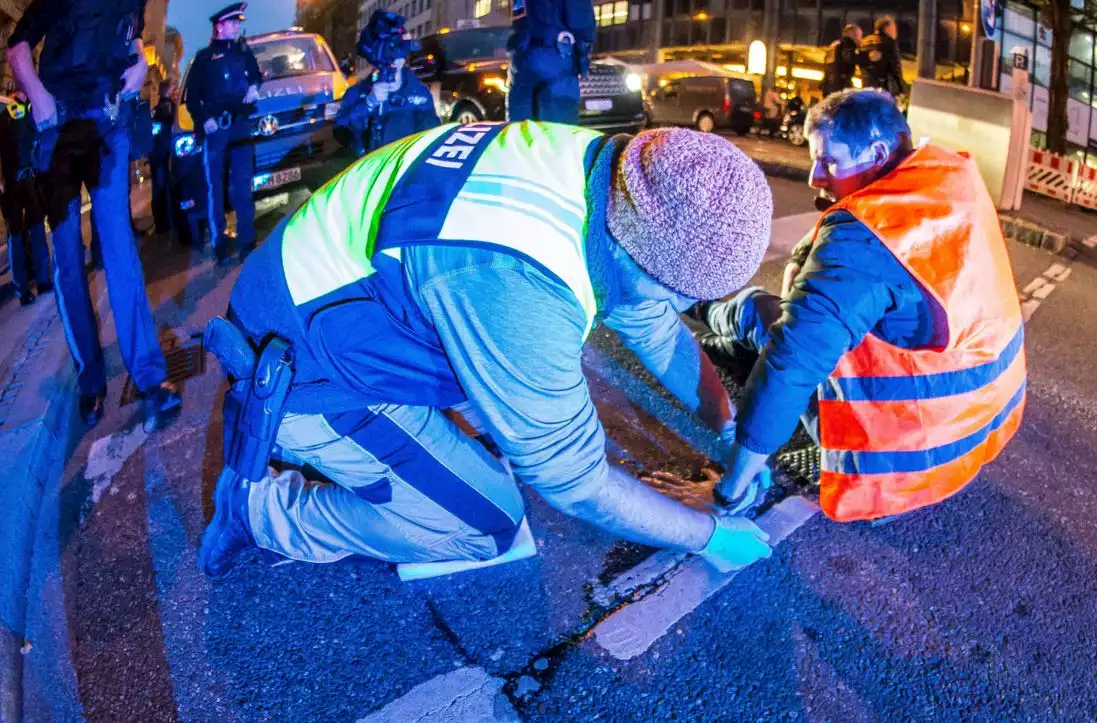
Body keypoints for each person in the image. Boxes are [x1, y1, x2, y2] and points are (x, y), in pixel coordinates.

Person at [197, 123, 776, 579]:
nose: (675, 306)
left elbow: (651, 323)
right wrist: (708, 536)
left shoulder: (606, 173)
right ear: (642, 258)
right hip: (308, 375)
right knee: (486, 525)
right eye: (680, 293)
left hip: (351, 307)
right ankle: (261, 512)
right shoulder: (521, 278)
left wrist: (729, 431)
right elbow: (575, 483)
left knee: (513, 420)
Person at [692, 90, 1025, 522]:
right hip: (972, 432)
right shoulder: (946, 180)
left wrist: (726, 495)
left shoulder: (864, 237)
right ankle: (723, 336)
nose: (815, 177)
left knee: (765, 317)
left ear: (878, 152)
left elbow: (791, 365)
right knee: (804, 318)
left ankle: (698, 305)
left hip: (894, 466)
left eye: (829, 162)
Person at [6, 0, 181, 430]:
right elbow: (17, 48)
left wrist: (140, 63)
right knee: (68, 261)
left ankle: (150, 379)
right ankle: (90, 381)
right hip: (57, 131)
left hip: (109, 124)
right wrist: (41, 99)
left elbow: (133, 34)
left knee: (120, 250)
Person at [184, 2, 262, 265]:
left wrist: (254, 87)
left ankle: (246, 241)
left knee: (242, 184)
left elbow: (256, 77)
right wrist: (203, 119)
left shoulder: (244, 52)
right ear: (219, 26)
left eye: (239, 22)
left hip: (240, 126)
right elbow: (192, 98)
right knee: (214, 188)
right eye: (233, 22)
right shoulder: (203, 58)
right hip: (216, 130)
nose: (238, 26)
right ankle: (219, 245)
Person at [334, 10, 440, 158]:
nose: (396, 59)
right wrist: (368, 104)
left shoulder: (419, 93)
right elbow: (342, 134)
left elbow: (432, 139)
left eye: (400, 49)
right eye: (390, 49)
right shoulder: (357, 93)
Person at [505, 0, 594, 123]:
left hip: (521, 56)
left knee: (520, 124)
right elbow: (580, 20)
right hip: (556, 56)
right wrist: (583, 51)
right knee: (558, 126)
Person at [0, 93, 51, 305]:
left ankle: (22, 290)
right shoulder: (29, 110)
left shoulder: (4, 113)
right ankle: (43, 281)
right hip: (27, 178)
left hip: (10, 182)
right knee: (35, 230)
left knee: (16, 235)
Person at [150, 79, 176, 236]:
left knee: (159, 189)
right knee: (167, 188)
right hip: (166, 154)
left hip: (158, 155)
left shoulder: (156, 110)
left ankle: (162, 224)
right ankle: (167, 222)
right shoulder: (169, 108)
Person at [860, 16, 905, 98]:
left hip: (866, 86)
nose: (896, 31)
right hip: (884, 88)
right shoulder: (889, 42)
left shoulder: (864, 41)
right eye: (893, 28)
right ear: (886, 28)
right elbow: (896, 68)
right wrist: (901, 89)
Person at [821, 24, 871, 98]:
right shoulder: (847, 43)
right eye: (859, 36)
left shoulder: (834, 45)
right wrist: (867, 57)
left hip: (829, 84)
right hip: (841, 84)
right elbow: (850, 58)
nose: (860, 40)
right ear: (851, 34)